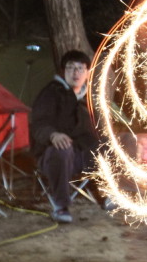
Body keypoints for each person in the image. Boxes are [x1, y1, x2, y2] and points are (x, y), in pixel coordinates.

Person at [30, 49, 113, 223]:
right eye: (70, 68)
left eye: (80, 68)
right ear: (63, 71)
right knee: (63, 149)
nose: (75, 73)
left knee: (117, 144)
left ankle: (109, 195)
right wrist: (52, 135)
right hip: (53, 156)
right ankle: (61, 207)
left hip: (81, 155)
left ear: (87, 73)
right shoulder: (51, 93)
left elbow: (94, 132)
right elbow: (38, 124)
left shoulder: (86, 99)